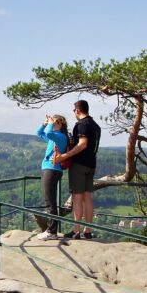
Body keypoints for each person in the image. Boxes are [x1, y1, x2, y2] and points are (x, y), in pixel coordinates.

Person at [55, 100, 101, 239]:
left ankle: (76, 231)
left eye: (74, 111)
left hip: (79, 164)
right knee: (87, 197)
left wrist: (65, 156)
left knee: (77, 198)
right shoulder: (95, 125)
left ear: (77, 110)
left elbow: (82, 144)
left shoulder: (82, 125)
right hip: (91, 164)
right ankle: (87, 231)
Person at [35, 114, 69, 240]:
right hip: (48, 168)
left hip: (52, 169)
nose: (52, 124)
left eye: (54, 122)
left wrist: (49, 124)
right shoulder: (54, 137)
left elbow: (48, 133)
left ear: (60, 124)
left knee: (50, 201)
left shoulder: (60, 137)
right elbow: (39, 133)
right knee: (48, 200)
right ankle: (51, 230)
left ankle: (52, 231)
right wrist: (45, 123)